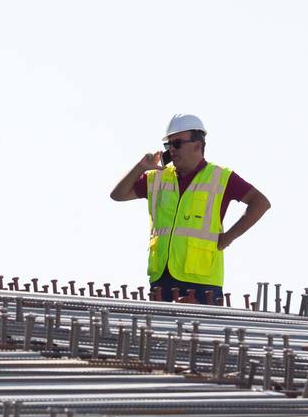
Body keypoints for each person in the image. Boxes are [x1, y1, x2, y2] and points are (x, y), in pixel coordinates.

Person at [109, 114, 271, 304]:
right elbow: (118, 195)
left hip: (202, 282)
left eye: (177, 144)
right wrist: (141, 167)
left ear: (197, 144)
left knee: (199, 333)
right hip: (162, 277)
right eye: (168, 145)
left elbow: (261, 203)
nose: (172, 150)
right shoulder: (157, 177)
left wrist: (228, 237)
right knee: (163, 333)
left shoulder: (221, 177)